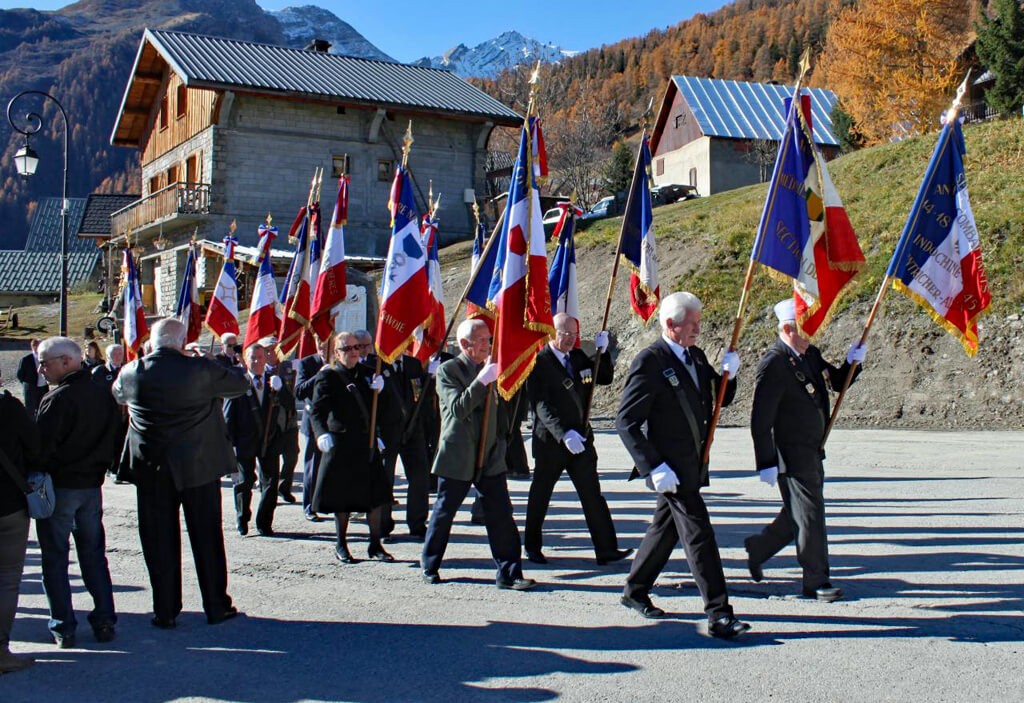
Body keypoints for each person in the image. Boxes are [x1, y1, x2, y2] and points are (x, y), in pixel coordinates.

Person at [615, 292, 750, 639]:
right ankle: (719, 613)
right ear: (670, 325)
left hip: (692, 463)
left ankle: (635, 589)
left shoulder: (695, 355)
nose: (698, 329)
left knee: (664, 530)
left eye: (698, 323)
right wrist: (653, 467)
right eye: (692, 324)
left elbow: (718, 400)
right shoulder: (650, 361)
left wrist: (728, 377)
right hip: (670, 470)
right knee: (699, 535)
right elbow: (626, 421)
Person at [113, 318, 249, 629]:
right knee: (207, 538)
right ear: (181, 341)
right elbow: (239, 384)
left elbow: (119, 395)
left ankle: (165, 609)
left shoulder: (132, 370)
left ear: (153, 341)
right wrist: (211, 360)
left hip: (151, 466)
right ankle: (216, 605)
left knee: (157, 540)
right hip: (198, 464)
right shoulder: (201, 369)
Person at [744, 299, 866, 603]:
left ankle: (760, 548)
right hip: (790, 452)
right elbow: (760, 420)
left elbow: (837, 382)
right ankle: (816, 580)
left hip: (813, 449)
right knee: (811, 514)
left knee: (799, 513)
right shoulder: (773, 363)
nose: (812, 332)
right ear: (787, 328)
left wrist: (854, 362)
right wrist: (766, 461)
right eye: (805, 326)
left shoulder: (809, 354)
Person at [420, 319, 535, 591]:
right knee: (444, 513)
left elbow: (500, 413)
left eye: (488, 339)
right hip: (458, 455)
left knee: (502, 516)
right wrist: (482, 381)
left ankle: (509, 572)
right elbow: (459, 409)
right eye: (482, 340)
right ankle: (430, 564)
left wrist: (502, 443)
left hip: (490, 455)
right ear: (464, 344)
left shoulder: (491, 369)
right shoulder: (449, 370)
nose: (488, 344)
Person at [34, 336, 121, 648]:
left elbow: (41, 448)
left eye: (45, 362)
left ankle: (63, 625)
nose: (41, 369)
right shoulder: (101, 393)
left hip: (62, 487)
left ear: (66, 362)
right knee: (93, 555)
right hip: (91, 486)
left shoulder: (57, 399)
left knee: (56, 558)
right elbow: (115, 435)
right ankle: (105, 620)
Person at [525, 313, 631, 566]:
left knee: (592, 495)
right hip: (552, 441)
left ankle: (606, 549)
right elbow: (541, 406)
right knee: (541, 494)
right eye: (565, 334)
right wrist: (563, 434)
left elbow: (602, 377)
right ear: (552, 333)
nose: (571, 339)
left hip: (581, 439)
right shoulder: (539, 362)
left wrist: (603, 353)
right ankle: (532, 546)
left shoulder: (578, 356)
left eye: (574, 334)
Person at [309, 331, 398, 563]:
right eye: (347, 349)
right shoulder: (329, 377)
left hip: (366, 442)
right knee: (343, 499)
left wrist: (382, 390)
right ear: (337, 353)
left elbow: (382, 408)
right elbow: (317, 412)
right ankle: (341, 544)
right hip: (342, 442)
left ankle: (375, 544)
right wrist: (321, 435)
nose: (353, 353)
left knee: (376, 496)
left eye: (356, 348)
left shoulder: (369, 373)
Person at [223, 344, 294, 537]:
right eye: (253, 358)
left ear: (266, 359)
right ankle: (242, 518)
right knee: (245, 482)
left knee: (270, 483)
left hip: (270, 440)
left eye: (260, 357)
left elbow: (290, 407)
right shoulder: (239, 382)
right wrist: (230, 445)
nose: (256, 361)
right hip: (245, 441)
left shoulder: (274, 381)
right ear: (246, 360)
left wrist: (282, 390)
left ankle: (264, 522)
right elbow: (228, 417)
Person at [0, 371, 41, 673]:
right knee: (7, 579)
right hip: (8, 503)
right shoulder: (9, 407)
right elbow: (34, 448)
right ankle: (0, 651)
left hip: (9, 504)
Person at [381, 352, 438, 542]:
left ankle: (417, 523)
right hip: (387, 431)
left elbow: (422, 395)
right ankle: (382, 525)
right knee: (384, 479)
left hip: (413, 429)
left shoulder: (413, 364)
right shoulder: (377, 365)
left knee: (420, 476)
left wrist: (431, 376)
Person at [295, 338, 331, 522]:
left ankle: (325, 502)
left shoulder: (337, 362)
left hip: (333, 422)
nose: (324, 348)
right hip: (314, 423)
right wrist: (319, 375)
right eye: (321, 344)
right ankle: (309, 506)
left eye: (327, 344)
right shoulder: (307, 363)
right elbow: (299, 391)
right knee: (312, 466)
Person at [15, 338, 48, 416]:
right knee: (30, 411)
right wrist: (27, 384)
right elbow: (20, 375)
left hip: (43, 387)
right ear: (35, 347)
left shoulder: (45, 358)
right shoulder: (26, 360)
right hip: (31, 388)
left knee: (42, 409)